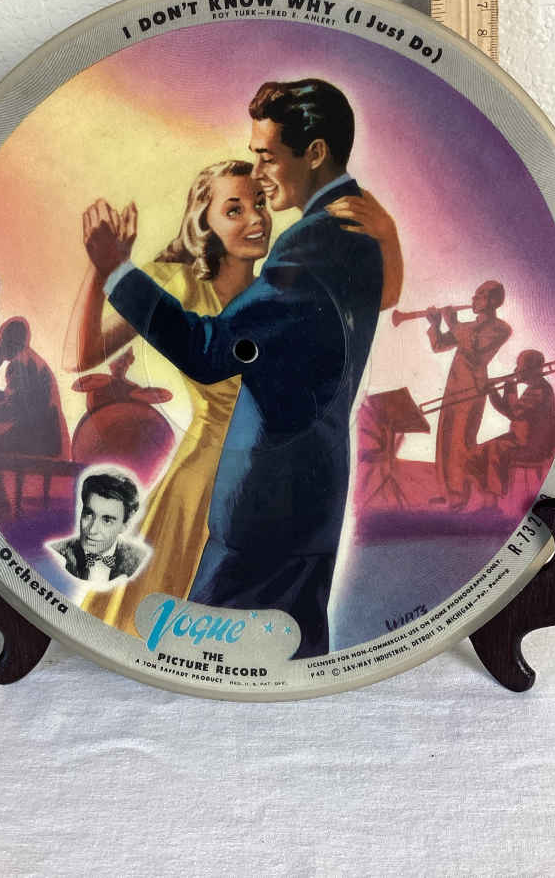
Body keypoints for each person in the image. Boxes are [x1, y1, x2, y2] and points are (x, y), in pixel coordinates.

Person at [84, 77, 397, 658]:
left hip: (266, 503)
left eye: (267, 156)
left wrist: (115, 270)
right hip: (309, 493)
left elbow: (208, 353)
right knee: (290, 653)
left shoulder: (311, 242)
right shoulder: (356, 227)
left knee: (198, 660)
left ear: (315, 153)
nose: (260, 173)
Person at [0, 317, 69, 517]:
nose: (2, 348)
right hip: (45, 437)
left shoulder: (21, 364)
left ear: (9, 342)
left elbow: (14, 410)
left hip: (40, 439)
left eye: (4, 343)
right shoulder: (28, 359)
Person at [426, 280, 512, 510]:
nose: (474, 299)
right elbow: (439, 345)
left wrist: (453, 323)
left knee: (461, 441)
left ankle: (461, 495)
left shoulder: (500, 328)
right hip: (453, 389)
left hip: (472, 391)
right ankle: (447, 493)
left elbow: (474, 350)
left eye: (480, 295)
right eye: (475, 294)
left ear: (494, 301)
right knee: (445, 439)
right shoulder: (468, 327)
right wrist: (436, 325)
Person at [466, 350, 555, 508]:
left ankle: (492, 505)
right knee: (476, 453)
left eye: (519, 366)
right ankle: (488, 499)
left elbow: (514, 413)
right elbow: (508, 410)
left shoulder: (540, 390)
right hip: (518, 440)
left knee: (494, 451)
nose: (516, 370)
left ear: (531, 368)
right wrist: (492, 390)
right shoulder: (534, 388)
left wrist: (510, 387)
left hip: (531, 446)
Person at [50, 472, 149, 582]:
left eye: (107, 520)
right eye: (88, 514)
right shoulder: (54, 554)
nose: (92, 530)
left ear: (124, 525)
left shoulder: (140, 562)